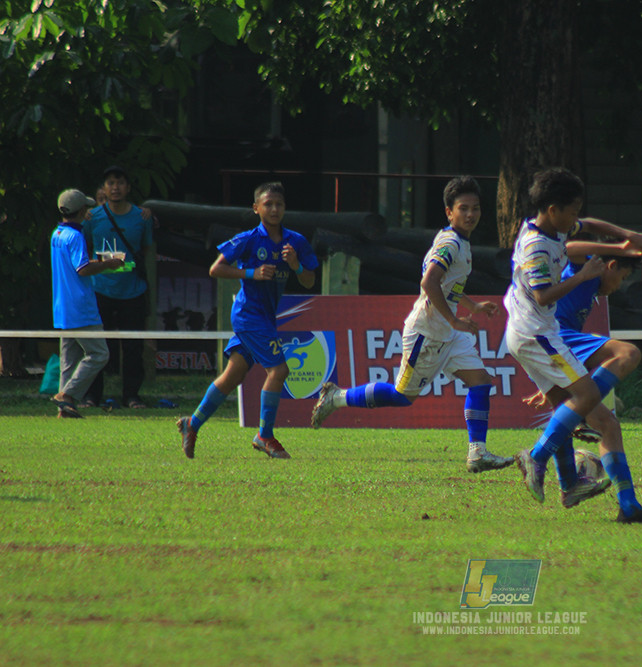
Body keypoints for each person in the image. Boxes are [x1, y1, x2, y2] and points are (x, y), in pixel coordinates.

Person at [310, 176, 514, 473]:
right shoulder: (451, 243)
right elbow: (429, 281)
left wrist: (472, 306)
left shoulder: (459, 241)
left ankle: (477, 454)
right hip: (428, 333)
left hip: (447, 333)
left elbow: (447, 285)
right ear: (449, 212)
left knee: (481, 382)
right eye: (463, 208)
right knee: (403, 397)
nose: (471, 214)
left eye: (476, 208)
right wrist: (455, 319)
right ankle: (336, 397)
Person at [505, 167, 642, 522]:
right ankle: (536, 455)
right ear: (552, 209)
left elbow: (587, 226)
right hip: (543, 334)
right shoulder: (545, 247)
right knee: (624, 357)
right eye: (572, 210)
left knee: (605, 423)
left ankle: (617, 503)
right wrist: (588, 271)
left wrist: (627, 237)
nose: (577, 217)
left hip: (541, 338)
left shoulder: (552, 231)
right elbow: (561, 266)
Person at [523, 239, 642, 523]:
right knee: (628, 352)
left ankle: (627, 506)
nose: (618, 285)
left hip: (552, 349)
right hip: (555, 336)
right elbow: (568, 247)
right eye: (623, 277)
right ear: (612, 266)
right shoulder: (588, 269)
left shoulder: (591, 286)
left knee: (608, 425)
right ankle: (541, 450)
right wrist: (617, 247)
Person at [176, 182, 318, 460]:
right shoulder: (248, 239)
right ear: (256, 208)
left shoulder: (296, 242)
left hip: (265, 317)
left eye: (279, 204)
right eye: (268, 204)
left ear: (285, 208)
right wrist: (251, 274)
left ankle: (191, 424)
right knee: (278, 371)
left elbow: (310, 279)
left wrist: (296, 266)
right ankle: (264, 435)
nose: (274, 209)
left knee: (233, 376)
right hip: (248, 316)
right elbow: (216, 268)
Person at [82, 165, 155, 409]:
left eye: (120, 182)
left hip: (133, 291)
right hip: (100, 289)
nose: (115, 187)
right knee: (97, 345)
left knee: (133, 347)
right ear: (103, 188)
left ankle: (132, 396)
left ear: (128, 188)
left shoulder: (141, 217)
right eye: (110, 183)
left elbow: (146, 249)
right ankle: (92, 395)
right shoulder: (92, 217)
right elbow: (87, 248)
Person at [49, 189, 125, 418]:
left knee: (69, 361)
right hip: (81, 307)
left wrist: (101, 260)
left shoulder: (57, 234)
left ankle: (64, 409)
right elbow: (82, 269)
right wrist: (107, 265)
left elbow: (75, 264)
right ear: (81, 211)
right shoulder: (76, 236)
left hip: (63, 308)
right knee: (99, 354)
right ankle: (67, 395)